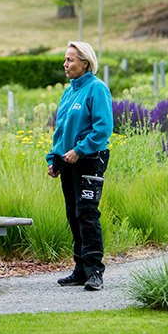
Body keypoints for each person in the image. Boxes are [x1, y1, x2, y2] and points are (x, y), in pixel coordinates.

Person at [46, 41, 113, 291]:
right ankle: (80, 269)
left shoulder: (97, 89)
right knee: (73, 214)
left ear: (85, 63)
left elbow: (103, 128)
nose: (65, 64)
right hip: (68, 161)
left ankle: (95, 270)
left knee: (87, 213)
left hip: (90, 160)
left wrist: (80, 149)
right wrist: (55, 158)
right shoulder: (69, 91)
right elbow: (61, 129)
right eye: (65, 60)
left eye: (70, 60)